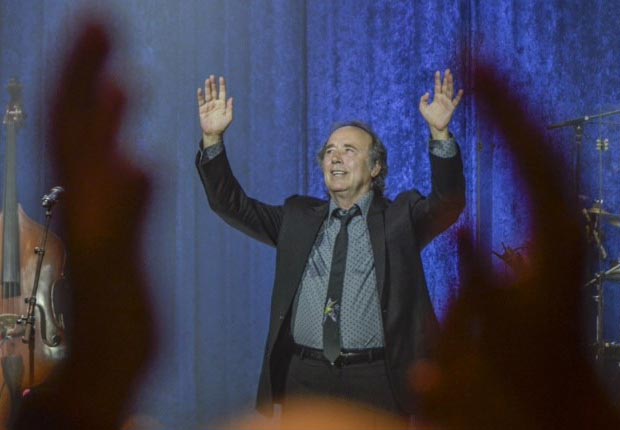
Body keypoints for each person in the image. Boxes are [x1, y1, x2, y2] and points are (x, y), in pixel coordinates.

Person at [195, 71, 465, 418]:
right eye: (329, 152)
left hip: (376, 379)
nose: (335, 158)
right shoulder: (297, 217)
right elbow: (230, 204)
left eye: (349, 151)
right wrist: (212, 140)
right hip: (304, 377)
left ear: (375, 168)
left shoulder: (401, 218)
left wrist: (440, 134)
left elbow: (449, 203)